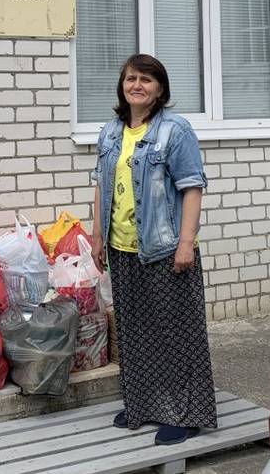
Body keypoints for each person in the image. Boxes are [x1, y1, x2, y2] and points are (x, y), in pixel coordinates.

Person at [91, 54, 218, 445]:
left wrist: (185, 244)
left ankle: (185, 412)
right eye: (131, 78)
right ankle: (143, 405)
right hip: (121, 247)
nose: (137, 85)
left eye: (146, 79)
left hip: (165, 248)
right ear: (122, 86)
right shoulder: (111, 131)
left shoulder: (175, 130)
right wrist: (96, 235)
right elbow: (101, 185)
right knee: (133, 330)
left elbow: (192, 187)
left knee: (174, 332)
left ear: (159, 89)